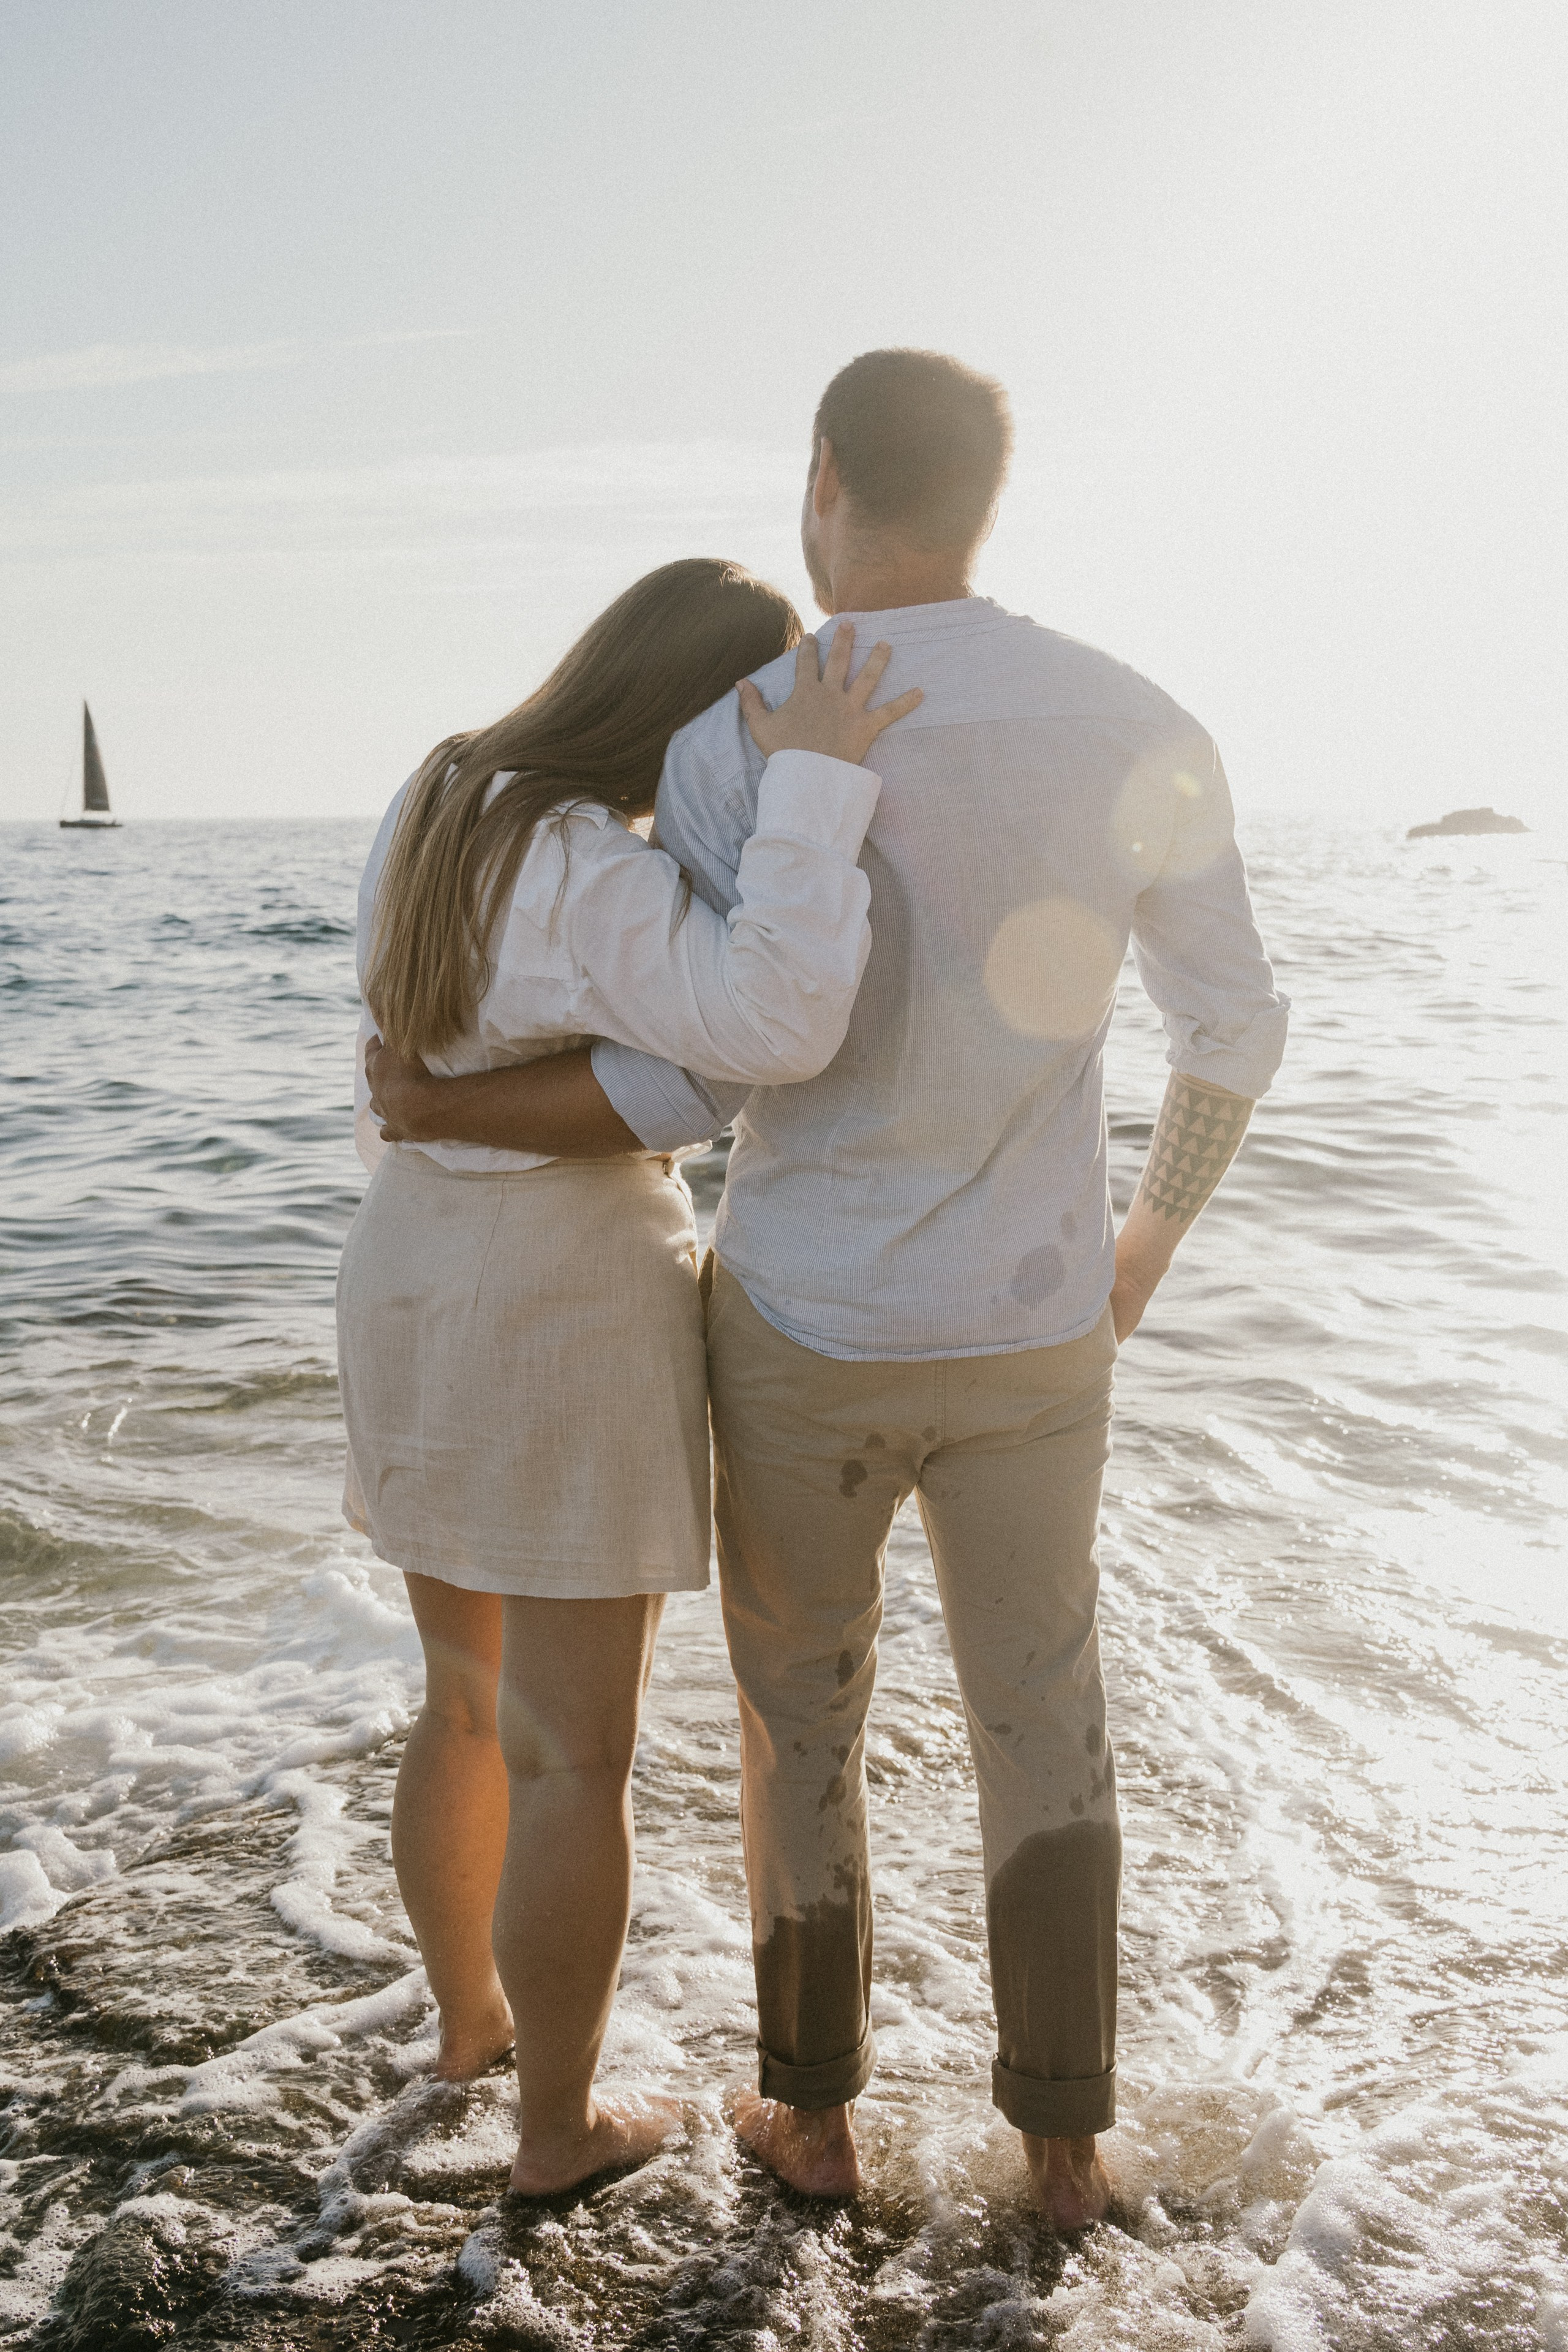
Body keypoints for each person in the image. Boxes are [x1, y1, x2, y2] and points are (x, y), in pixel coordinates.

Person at [366, 351, 1289, 2230]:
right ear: (991, 491)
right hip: (1038, 1323)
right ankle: (1060, 2145)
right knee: (1046, 1710)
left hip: (796, 1320)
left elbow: (714, 1067)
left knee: (802, 1727)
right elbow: (1236, 1030)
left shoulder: (733, 744)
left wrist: (444, 1105)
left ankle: (811, 2121)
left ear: (824, 480)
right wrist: (1145, 1245)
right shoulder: (1141, 719)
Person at [338, 556, 921, 2196]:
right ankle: (554, 2134)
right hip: (561, 1295)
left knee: (461, 1705)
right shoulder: (601, 874)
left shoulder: (445, 792)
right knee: (571, 1754)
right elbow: (768, 1030)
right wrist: (816, 789)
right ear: (699, 720)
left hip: (407, 1272)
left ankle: (470, 2030)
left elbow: (432, 1054)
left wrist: (533, 1098)